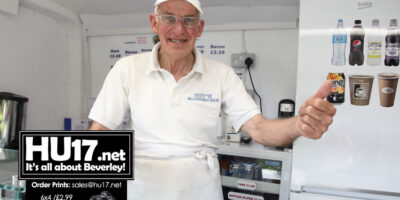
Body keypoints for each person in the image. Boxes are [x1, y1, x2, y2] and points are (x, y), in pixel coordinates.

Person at [88, 0, 336, 199]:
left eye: (188, 20)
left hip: (200, 190)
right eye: (169, 18)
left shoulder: (221, 74)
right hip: (143, 189)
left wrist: (298, 124)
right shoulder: (127, 68)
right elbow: (100, 131)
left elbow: (260, 130)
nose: (179, 29)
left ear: (200, 28)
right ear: (154, 23)